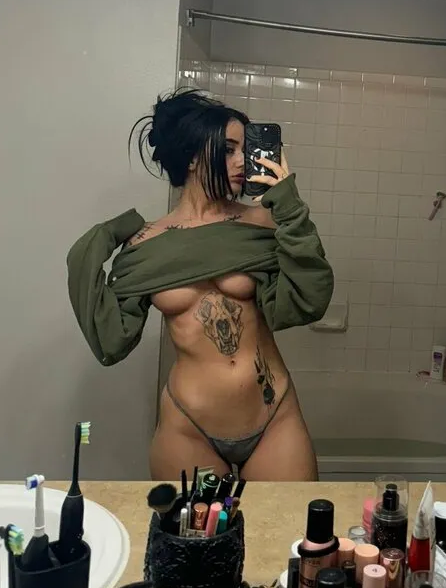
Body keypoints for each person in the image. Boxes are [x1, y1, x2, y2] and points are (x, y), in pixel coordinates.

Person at [67, 90, 333, 480]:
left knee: (289, 521)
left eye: (245, 149)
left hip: (274, 418)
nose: (242, 161)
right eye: (227, 149)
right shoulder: (146, 243)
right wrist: (110, 233)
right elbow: (112, 339)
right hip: (189, 429)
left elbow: (310, 298)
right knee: (193, 524)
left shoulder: (263, 223)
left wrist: (288, 204)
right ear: (192, 157)